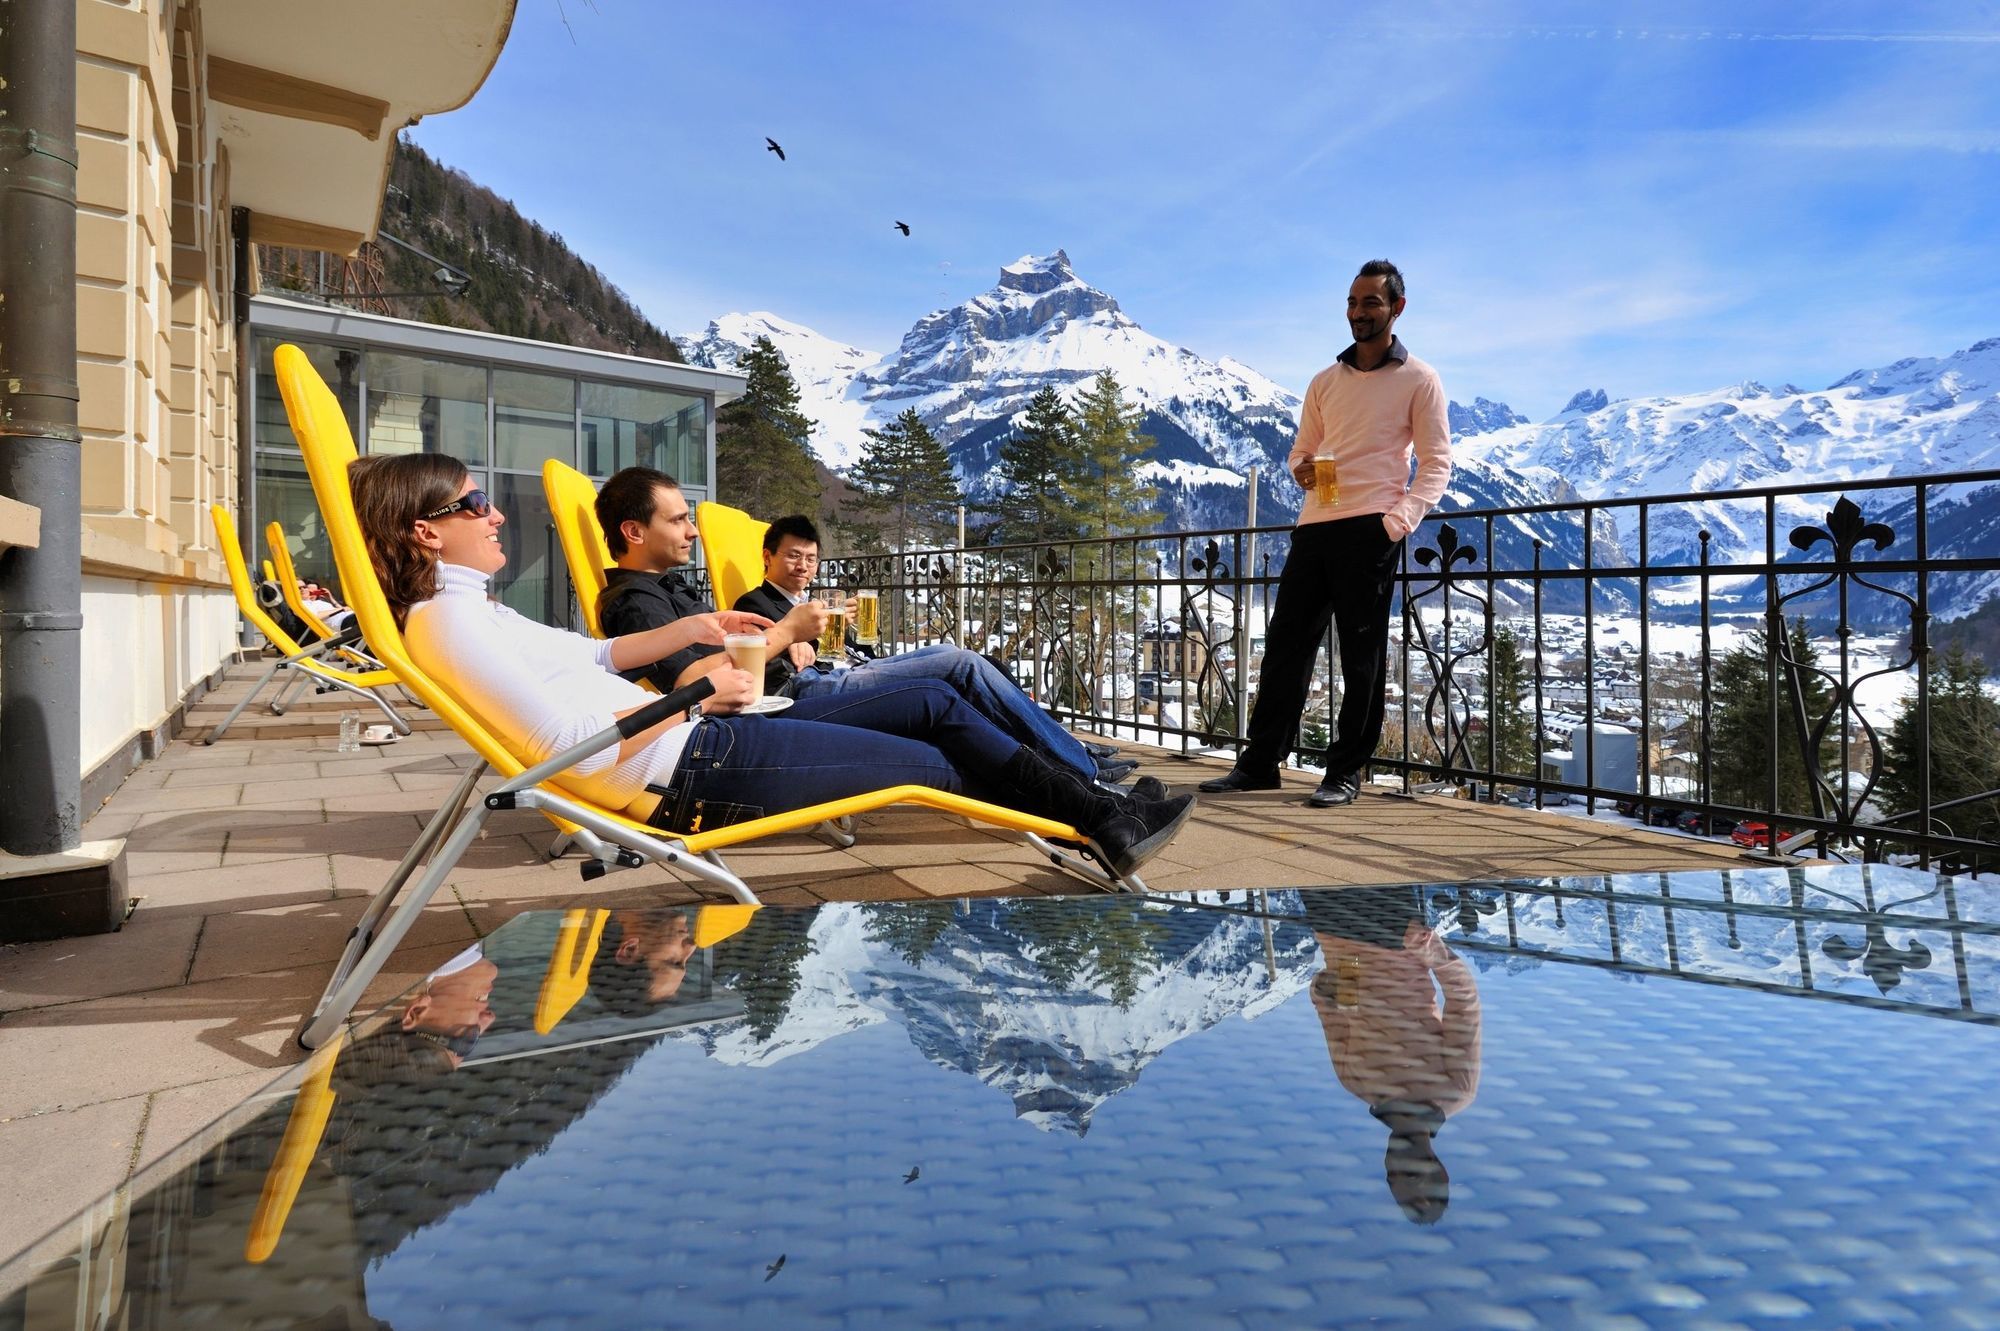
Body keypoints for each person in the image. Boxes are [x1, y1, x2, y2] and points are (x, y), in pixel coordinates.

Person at [348, 452, 1195, 878]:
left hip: (700, 743)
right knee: (943, 749)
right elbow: (570, 739)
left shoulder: (470, 612)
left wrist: (708, 636)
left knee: (941, 706)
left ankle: (1101, 817)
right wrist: (697, 695)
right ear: (426, 530)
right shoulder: (446, 626)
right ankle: (1100, 818)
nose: (495, 517)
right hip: (693, 771)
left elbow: (596, 654)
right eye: (475, 505)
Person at [592, 468, 1146, 792]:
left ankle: (1072, 761)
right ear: (634, 530)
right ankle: (1079, 771)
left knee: (961, 667)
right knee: (957, 666)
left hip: (804, 685)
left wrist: (802, 640)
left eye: (691, 520)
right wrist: (787, 634)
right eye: (678, 520)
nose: (691, 531)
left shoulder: (667, 590)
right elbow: (698, 686)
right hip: (785, 704)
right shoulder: (635, 604)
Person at [1201, 259, 1451, 807]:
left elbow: (1436, 465)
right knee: (1285, 649)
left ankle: (1345, 772)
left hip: (1372, 530)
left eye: (1371, 303)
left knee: (1361, 658)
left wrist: (1397, 521)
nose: (1358, 313)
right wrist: (1306, 472)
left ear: (1396, 309)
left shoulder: (1421, 380)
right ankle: (1261, 763)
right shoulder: (1324, 381)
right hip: (1315, 526)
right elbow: (1300, 453)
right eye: (1352, 302)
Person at [1301, 886, 1481, 1225]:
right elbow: (1463, 998)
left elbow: (1333, 1006)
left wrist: (1339, 972)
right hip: (1393, 930)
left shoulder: (1354, 1082)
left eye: (1392, 1179)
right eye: (1412, 1177)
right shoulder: (1457, 1090)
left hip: (1333, 928)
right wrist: (1425, 947)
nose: (1397, 1168)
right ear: (1440, 1170)